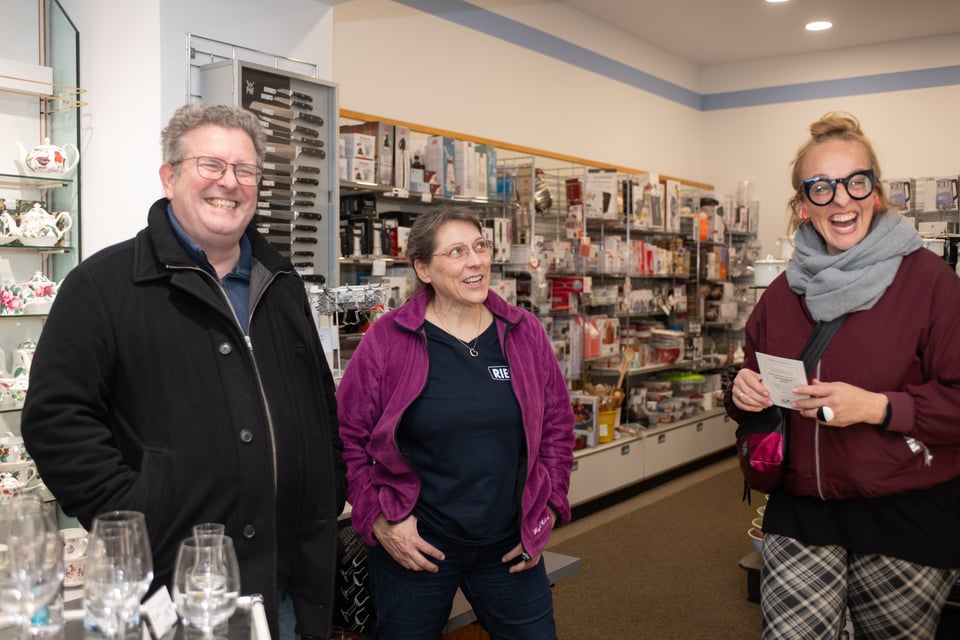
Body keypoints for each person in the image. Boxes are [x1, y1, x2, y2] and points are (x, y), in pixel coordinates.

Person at [20, 103, 346, 639]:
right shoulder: (104, 286)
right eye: (210, 165)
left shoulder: (282, 285)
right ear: (169, 177)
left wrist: (327, 488)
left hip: (287, 583)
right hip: (171, 590)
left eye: (244, 170)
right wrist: (134, 517)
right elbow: (57, 422)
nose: (230, 183)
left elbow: (318, 402)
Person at [725, 111, 960, 638]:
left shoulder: (930, 284)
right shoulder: (782, 294)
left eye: (856, 182)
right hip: (802, 512)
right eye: (821, 187)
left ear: (875, 192)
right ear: (803, 206)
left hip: (905, 516)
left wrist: (877, 407)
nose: (841, 200)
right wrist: (741, 392)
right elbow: (753, 381)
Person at [336, 207, 575, 639]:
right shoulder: (388, 339)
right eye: (457, 251)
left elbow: (558, 427)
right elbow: (347, 438)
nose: (476, 261)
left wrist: (548, 508)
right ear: (423, 268)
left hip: (508, 545)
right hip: (418, 546)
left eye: (480, 247)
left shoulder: (523, 331)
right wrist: (376, 519)